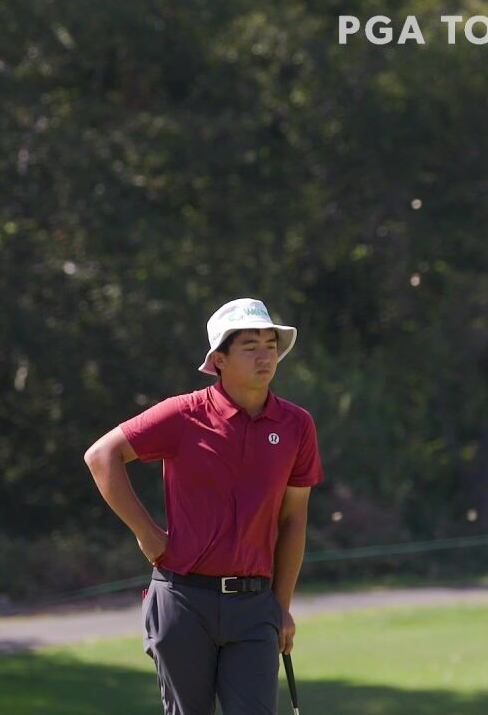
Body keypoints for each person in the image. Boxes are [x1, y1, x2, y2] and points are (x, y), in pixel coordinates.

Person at [83, 297, 323, 715]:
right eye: (250, 346)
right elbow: (101, 456)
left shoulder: (296, 425)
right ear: (220, 360)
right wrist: (148, 534)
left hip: (254, 604)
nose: (265, 355)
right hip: (182, 598)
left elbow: (293, 518)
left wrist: (281, 607)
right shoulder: (185, 414)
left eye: (271, 344)